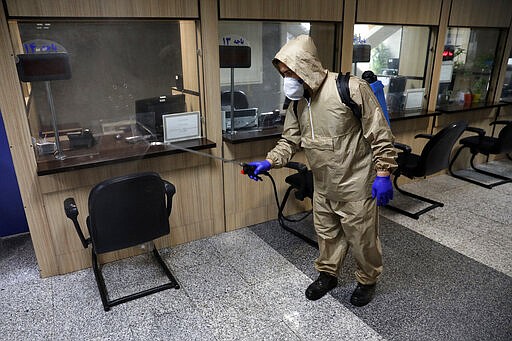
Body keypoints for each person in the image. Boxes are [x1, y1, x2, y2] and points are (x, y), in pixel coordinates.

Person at [247, 35, 397, 307]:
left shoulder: (349, 89)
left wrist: (384, 174)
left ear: (306, 65)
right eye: (283, 74)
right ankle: (328, 275)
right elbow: (289, 141)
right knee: (326, 236)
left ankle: (367, 280)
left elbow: (380, 134)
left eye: (290, 72)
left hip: (357, 183)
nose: (287, 79)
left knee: (362, 239)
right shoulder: (297, 102)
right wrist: (269, 161)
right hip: (323, 184)